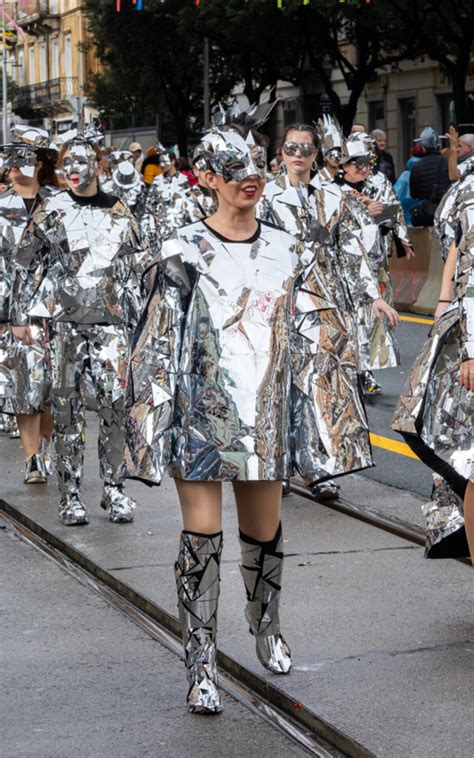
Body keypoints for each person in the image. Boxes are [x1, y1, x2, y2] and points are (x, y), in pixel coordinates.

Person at [122, 123, 373, 714]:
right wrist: (147, 424)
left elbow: (320, 335)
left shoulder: (291, 249)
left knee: (262, 533)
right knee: (201, 539)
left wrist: (325, 425)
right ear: (207, 179)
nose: (247, 178)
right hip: (200, 419)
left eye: (254, 165)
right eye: (231, 170)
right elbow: (155, 340)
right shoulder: (179, 250)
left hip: (264, 420)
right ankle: (201, 661)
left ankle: (266, 625)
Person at [10, 126, 152, 526]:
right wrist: (20, 316)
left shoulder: (120, 210)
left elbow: (141, 263)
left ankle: (114, 490)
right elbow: (24, 263)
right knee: (67, 411)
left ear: (99, 165)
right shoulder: (51, 209)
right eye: (67, 161)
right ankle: (70, 495)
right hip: (65, 327)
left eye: (82, 161)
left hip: (111, 326)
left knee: (114, 408)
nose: (73, 169)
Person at [259, 121, 375, 501]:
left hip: (322, 305)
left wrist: (373, 295)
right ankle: (274, 467)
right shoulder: (263, 196)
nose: (298, 156)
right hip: (275, 306)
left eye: (305, 149)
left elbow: (351, 250)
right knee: (276, 385)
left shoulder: (332, 196)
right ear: (281, 154)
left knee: (318, 385)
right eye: (291, 148)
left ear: (316, 155)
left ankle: (315, 466)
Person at [392, 194, 473, 561]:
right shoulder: (469, 194)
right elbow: (463, 260)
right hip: (467, 333)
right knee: (468, 459)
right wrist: (466, 344)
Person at [0, 126, 57, 482]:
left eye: (23, 159)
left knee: (54, 388)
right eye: (10, 160)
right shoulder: (2, 208)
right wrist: (9, 316)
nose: (14, 167)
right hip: (16, 311)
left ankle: (46, 446)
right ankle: (32, 457)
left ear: (37, 164)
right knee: (26, 386)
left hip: (57, 309)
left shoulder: (57, 204)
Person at [335, 132, 401, 394]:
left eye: (366, 162)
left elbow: (395, 213)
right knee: (350, 319)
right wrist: (362, 210)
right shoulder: (333, 190)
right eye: (355, 163)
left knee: (373, 320)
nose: (362, 168)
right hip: (346, 266)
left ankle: (367, 371)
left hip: (375, 264)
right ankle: (352, 369)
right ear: (343, 165)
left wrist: (378, 210)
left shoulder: (379, 182)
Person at [409, 127, 451, 225]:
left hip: (427, 215)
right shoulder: (447, 163)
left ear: (423, 148)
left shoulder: (416, 167)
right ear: (439, 147)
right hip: (446, 213)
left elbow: (413, 194)